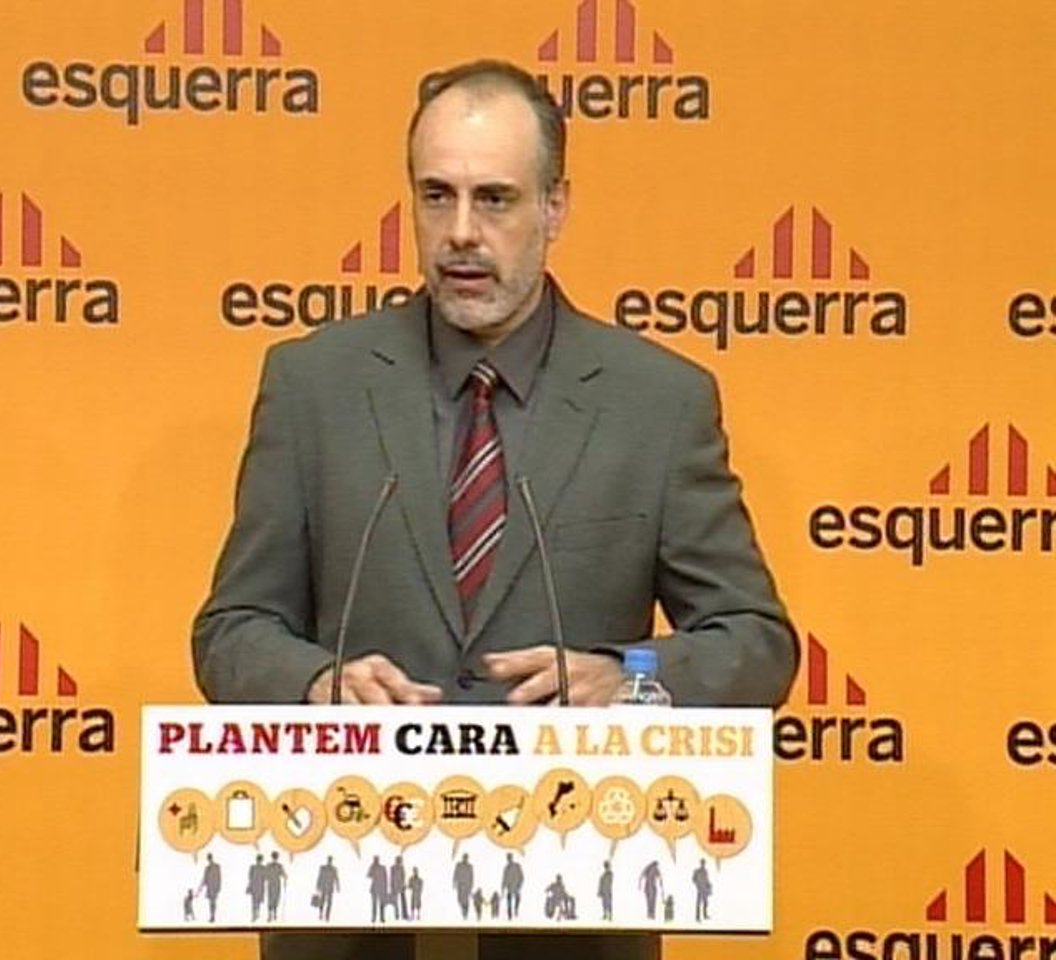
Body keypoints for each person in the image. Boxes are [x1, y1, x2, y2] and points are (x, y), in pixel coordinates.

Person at [193, 57, 796, 960]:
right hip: (354, 907)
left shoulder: (657, 403)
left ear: (555, 208)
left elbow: (755, 643)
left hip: (571, 912)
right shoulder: (315, 384)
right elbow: (233, 630)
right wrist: (318, 682)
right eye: (436, 197)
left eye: (496, 200)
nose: (461, 234)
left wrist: (627, 674)